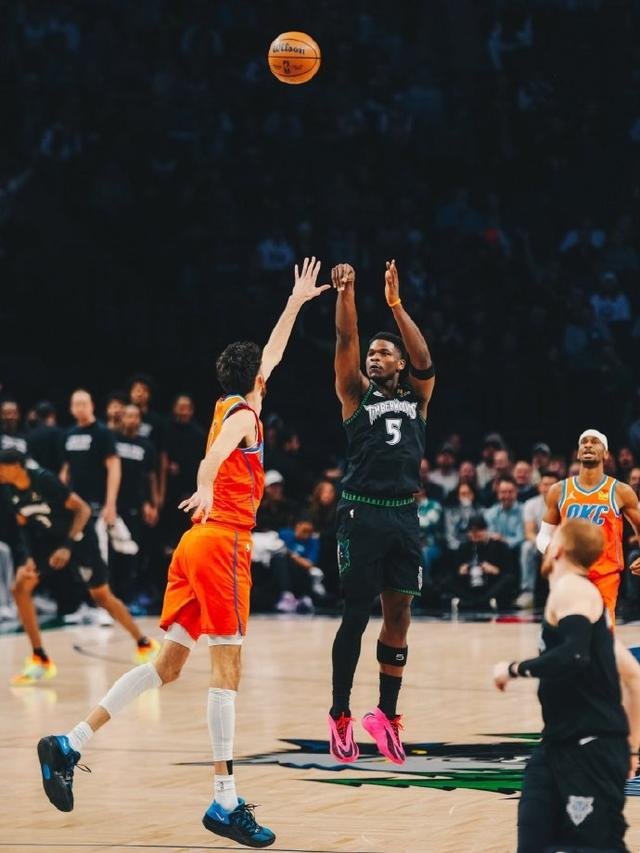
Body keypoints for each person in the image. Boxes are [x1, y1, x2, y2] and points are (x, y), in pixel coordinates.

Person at [36, 257, 328, 850]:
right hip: (222, 543)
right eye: (262, 373)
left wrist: (295, 302)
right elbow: (214, 455)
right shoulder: (243, 417)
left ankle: (69, 743)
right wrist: (205, 482)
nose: (267, 374)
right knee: (228, 670)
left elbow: (271, 355)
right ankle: (224, 800)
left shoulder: (231, 403)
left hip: (195, 546)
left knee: (168, 667)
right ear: (253, 380)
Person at [328, 259, 435, 765]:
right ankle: (340, 714)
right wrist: (346, 293)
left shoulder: (418, 399)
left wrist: (396, 305)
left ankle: (385, 715)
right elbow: (346, 337)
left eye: (384, 352)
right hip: (362, 512)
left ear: (399, 364)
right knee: (355, 615)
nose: (374, 357)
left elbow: (425, 360)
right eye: (372, 353)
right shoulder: (355, 394)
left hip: (403, 515)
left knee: (400, 616)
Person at [493, 518, 640, 852]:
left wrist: (513, 669)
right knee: (533, 840)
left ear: (557, 549)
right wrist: (630, 749)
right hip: (558, 744)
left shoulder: (572, 589)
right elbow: (633, 676)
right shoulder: (584, 601)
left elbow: (573, 656)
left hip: (590, 750)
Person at [0, 450, 158, 684]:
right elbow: (23, 526)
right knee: (20, 588)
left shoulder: (44, 480)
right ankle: (40, 658)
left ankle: (145, 644)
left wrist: (67, 546)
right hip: (50, 542)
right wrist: (30, 557)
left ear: (16, 466)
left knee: (102, 597)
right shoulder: (10, 490)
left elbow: (83, 509)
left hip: (80, 540)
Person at [538, 429, 640, 624]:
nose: (588, 445)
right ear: (578, 453)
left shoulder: (621, 491)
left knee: (602, 629)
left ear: (606, 453)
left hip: (605, 574)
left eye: (594, 442)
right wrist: (551, 549)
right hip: (570, 572)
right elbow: (543, 535)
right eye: (584, 442)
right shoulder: (559, 490)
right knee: (571, 628)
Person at [450, 514, 514, 611]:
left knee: (507, 580)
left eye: (478, 531)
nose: (474, 534)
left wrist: (495, 570)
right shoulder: (464, 547)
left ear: (485, 530)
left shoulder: (499, 546)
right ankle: (477, 602)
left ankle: (477, 602)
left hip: (491, 584)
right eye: (471, 531)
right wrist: (461, 571)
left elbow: (509, 572)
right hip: (470, 584)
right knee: (447, 580)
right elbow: (455, 570)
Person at [516, 470, 558, 609]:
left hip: (559, 542)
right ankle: (527, 592)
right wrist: (545, 546)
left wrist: (553, 545)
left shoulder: (566, 504)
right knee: (527, 547)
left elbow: (565, 530)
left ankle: (561, 592)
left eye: (552, 485)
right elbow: (529, 533)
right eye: (545, 484)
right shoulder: (530, 504)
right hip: (538, 543)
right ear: (540, 487)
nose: (548, 488)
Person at [26, 401, 65, 473]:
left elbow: (29, 460)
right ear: (52, 415)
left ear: (37, 416)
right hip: (56, 475)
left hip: (38, 476)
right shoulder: (60, 433)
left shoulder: (31, 435)